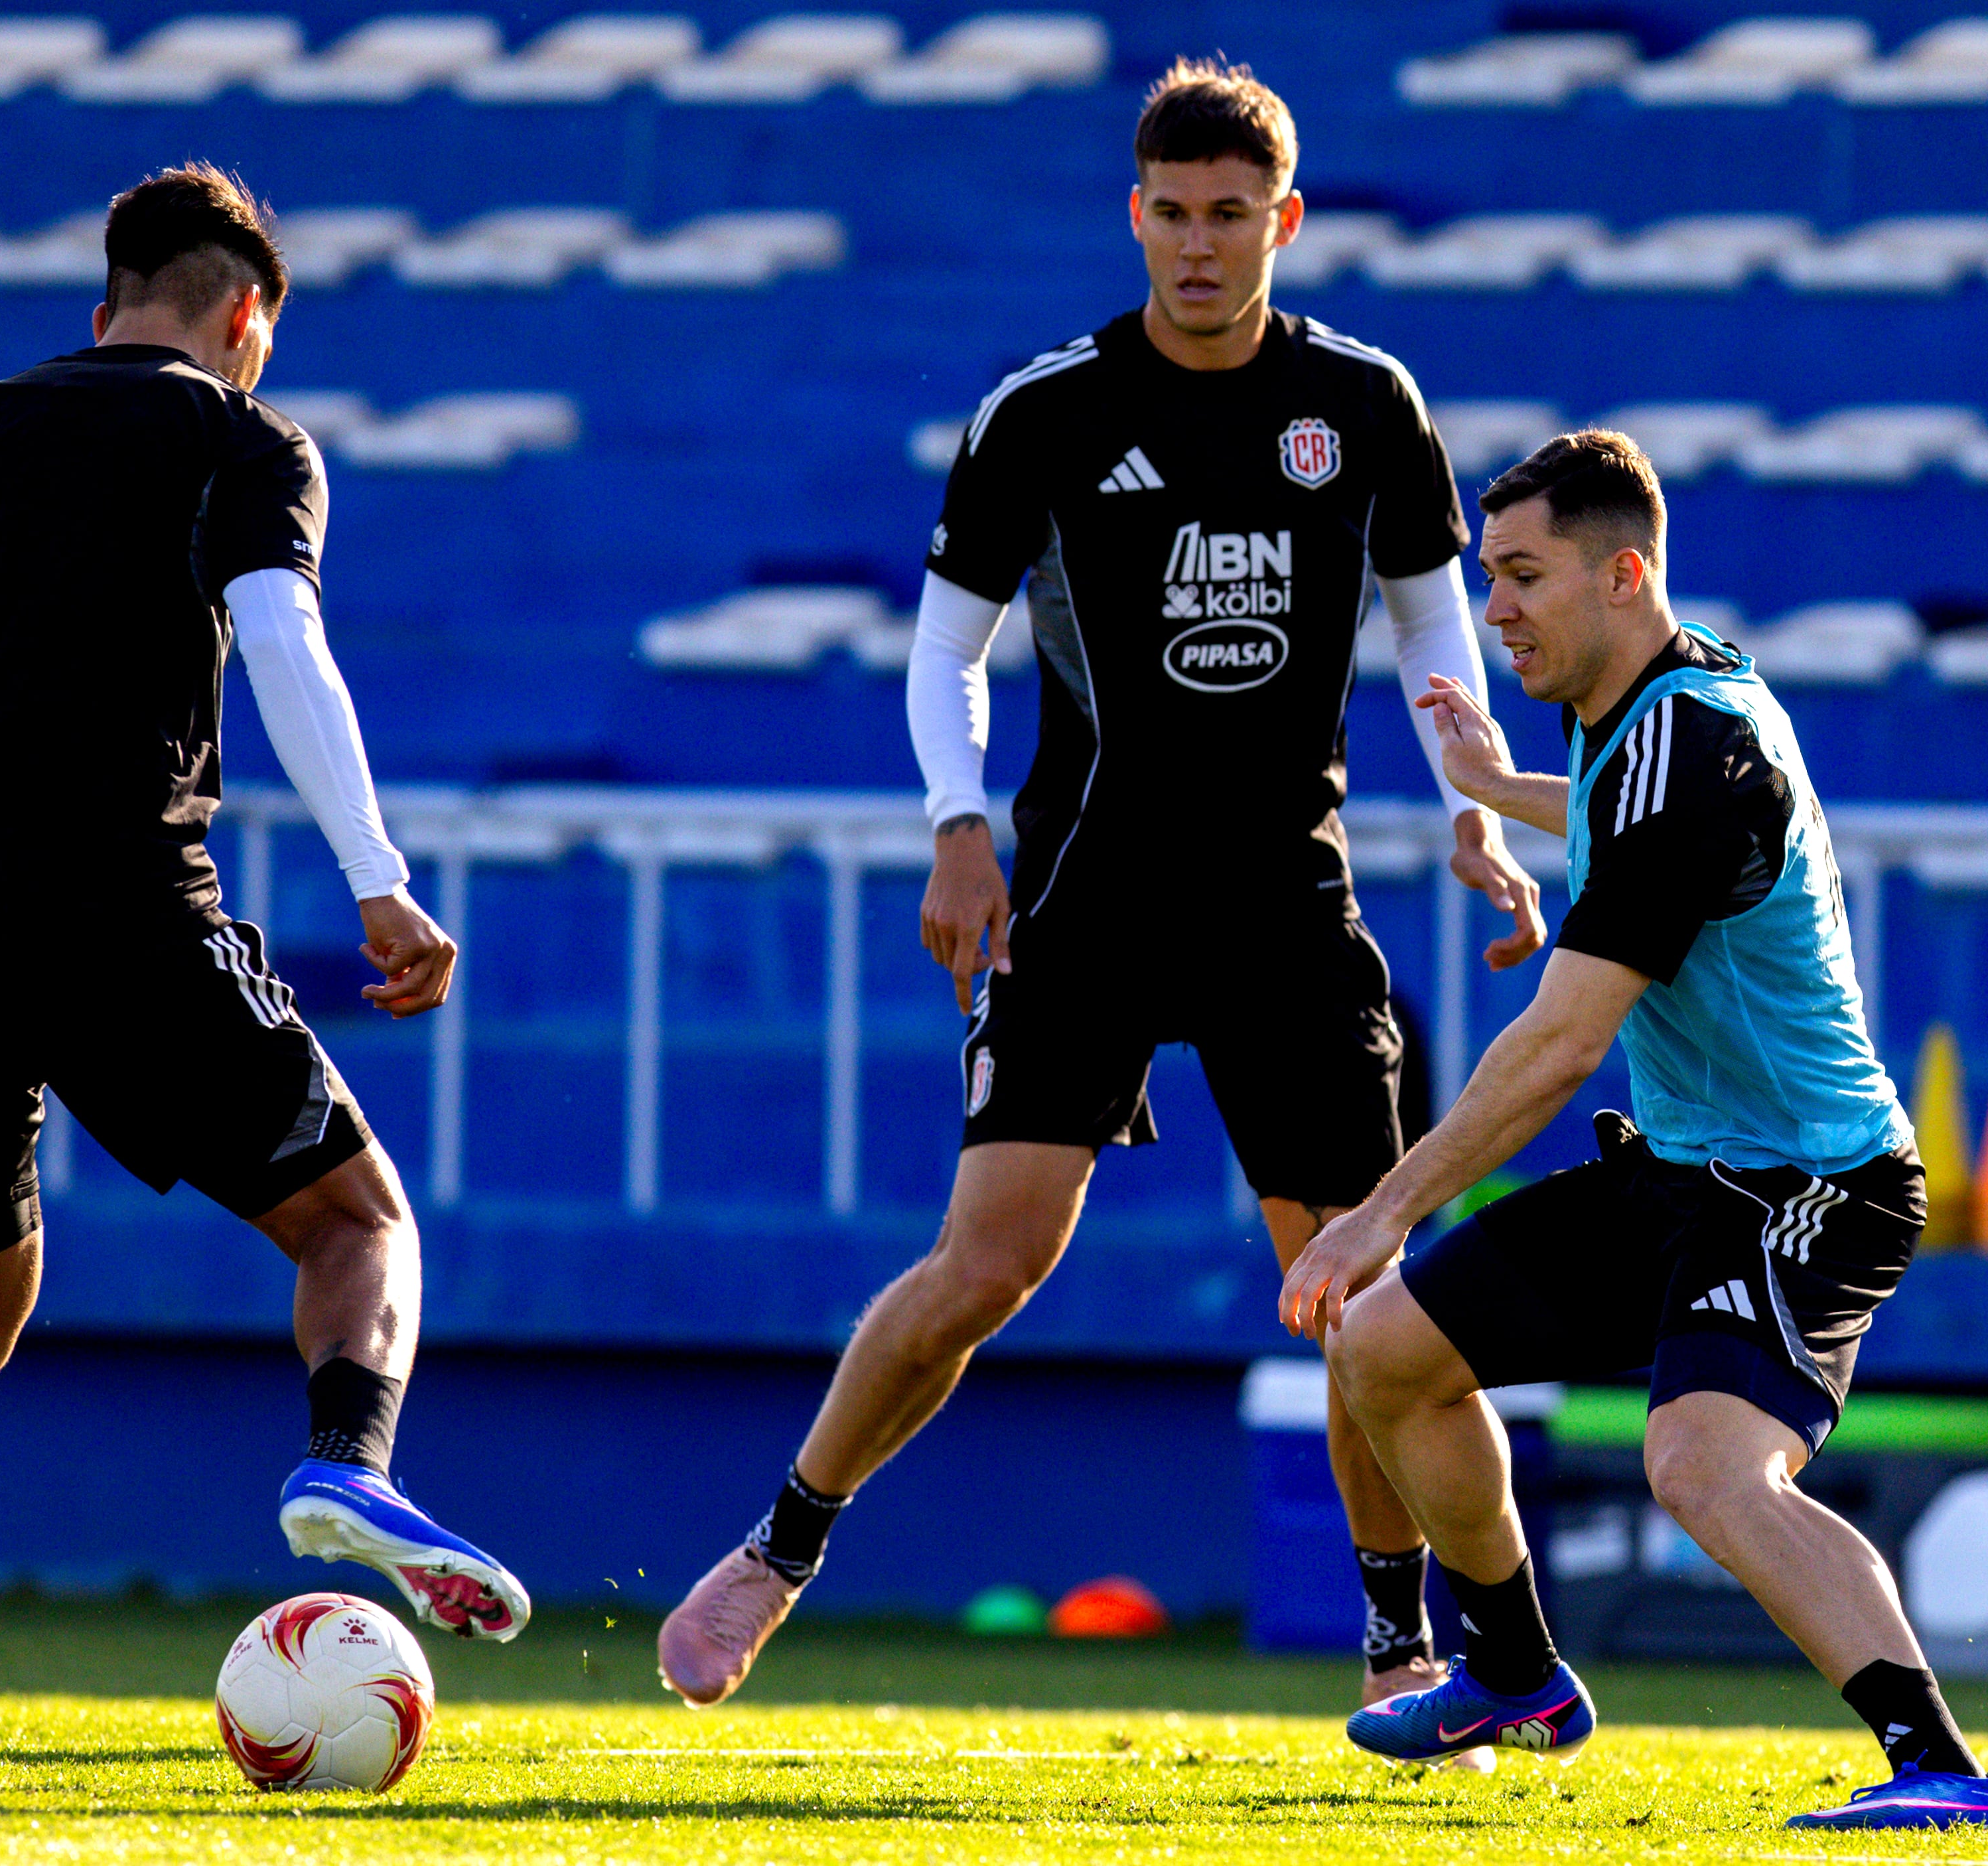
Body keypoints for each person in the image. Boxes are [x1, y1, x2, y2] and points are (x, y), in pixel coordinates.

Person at [658, 58, 1547, 1718]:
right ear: (1133, 212)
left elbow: (1433, 618)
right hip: (1088, 894)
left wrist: (1478, 798)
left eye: (1232, 217)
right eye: (1172, 213)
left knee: (1356, 1295)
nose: (1199, 247)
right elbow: (947, 641)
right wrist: (953, 818)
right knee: (986, 1266)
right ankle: (781, 1545)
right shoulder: (1046, 413)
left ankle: (1403, 1639)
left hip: (1286, 903)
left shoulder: (1363, 404)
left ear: (1284, 221)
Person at [0, 163, 525, 1784]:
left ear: (104, 306)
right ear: (247, 321)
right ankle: (345, 1461)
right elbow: (283, 641)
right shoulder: (237, 436)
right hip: (120, 905)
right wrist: (381, 883)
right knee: (357, 1221)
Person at [1278, 429, 1988, 1831]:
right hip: (1686, 1171)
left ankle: (1939, 1766)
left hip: (1812, 1183)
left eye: (1519, 576)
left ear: (1623, 574)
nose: (1492, 609)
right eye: (1486, 578)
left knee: (1697, 1461)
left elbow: (1560, 1043)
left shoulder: (1692, 745)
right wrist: (1500, 790)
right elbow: (1627, 828)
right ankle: (1510, 1669)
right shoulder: (1637, 695)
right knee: (1384, 1349)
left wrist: (1381, 1208)